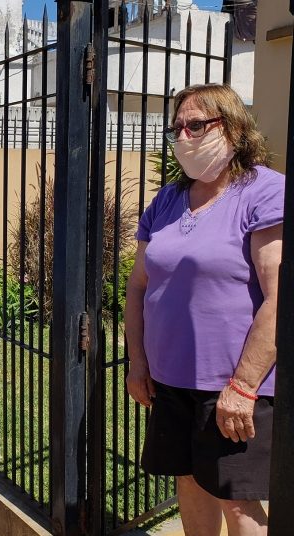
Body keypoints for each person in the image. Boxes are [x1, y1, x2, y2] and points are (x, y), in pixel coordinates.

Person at [125, 83, 283, 536]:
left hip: (232, 385)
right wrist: (138, 363)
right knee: (189, 482)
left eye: (196, 125)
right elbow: (138, 286)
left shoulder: (264, 191)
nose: (184, 137)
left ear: (232, 127)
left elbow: (279, 296)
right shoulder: (167, 201)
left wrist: (244, 387)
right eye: (177, 128)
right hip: (170, 380)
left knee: (237, 501)